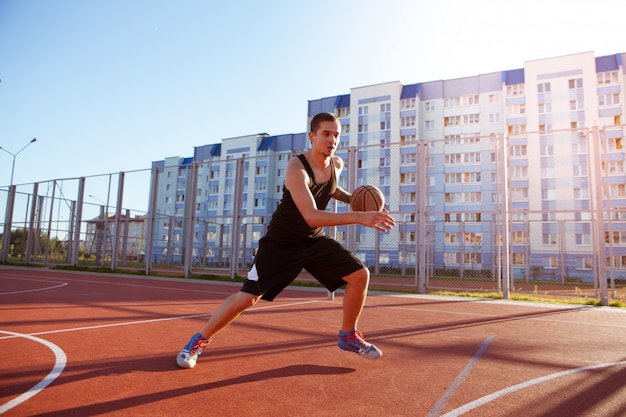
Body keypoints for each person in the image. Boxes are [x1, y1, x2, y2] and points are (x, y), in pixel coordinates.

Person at [177, 112, 396, 369]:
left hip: (312, 241)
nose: (332, 140)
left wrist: (355, 200)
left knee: (360, 275)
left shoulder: (336, 165)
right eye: (326, 134)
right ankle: (198, 341)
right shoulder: (296, 168)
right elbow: (312, 216)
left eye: (336, 135)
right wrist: (360, 216)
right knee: (247, 298)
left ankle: (348, 335)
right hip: (281, 242)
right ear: (312, 136)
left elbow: (330, 189)